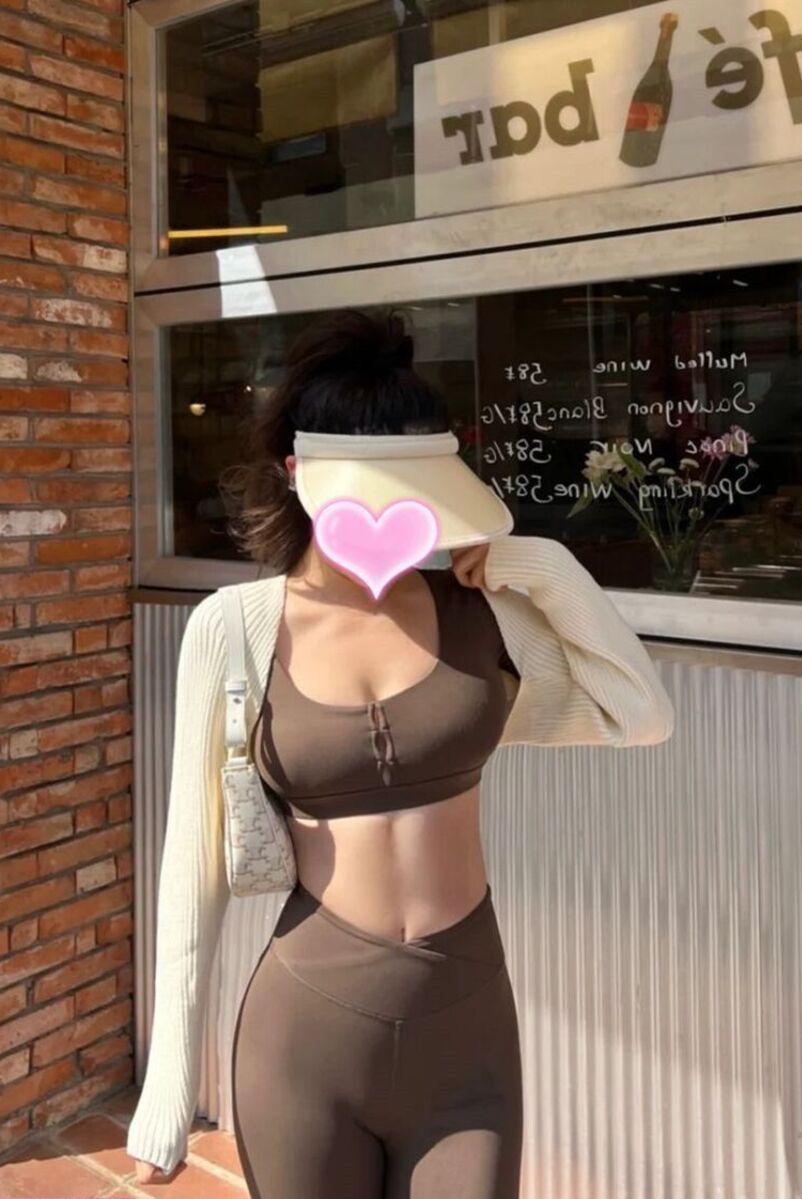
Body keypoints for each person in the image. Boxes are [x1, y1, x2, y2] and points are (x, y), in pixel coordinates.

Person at [126, 308, 676, 1198]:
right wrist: (168, 1083)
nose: (391, 513)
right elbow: (193, 864)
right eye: (369, 489)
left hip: (467, 1026)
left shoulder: (481, 611)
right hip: (306, 1034)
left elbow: (641, 714)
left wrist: (540, 564)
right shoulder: (234, 629)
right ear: (298, 473)